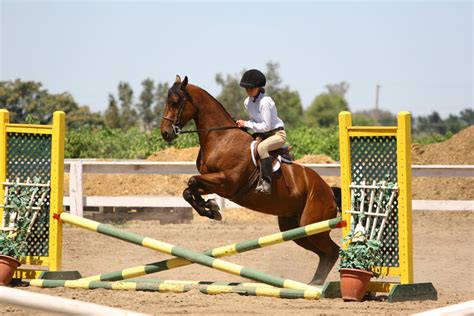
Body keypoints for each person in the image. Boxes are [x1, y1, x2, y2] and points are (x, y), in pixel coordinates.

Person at [236, 69, 286, 194]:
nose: (248, 91)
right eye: (246, 88)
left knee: (262, 148)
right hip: (263, 134)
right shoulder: (247, 102)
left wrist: (247, 123)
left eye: (251, 88)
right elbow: (255, 121)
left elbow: (266, 126)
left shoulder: (265, 102)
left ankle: (267, 182)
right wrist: (243, 125)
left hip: (277, 134)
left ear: (259, 88)